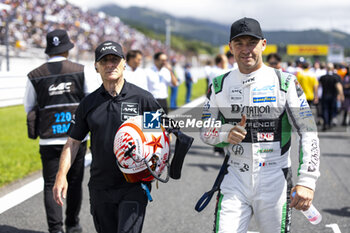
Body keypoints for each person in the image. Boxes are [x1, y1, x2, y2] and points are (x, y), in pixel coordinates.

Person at [200, 17, 320, 233]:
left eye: (251, 43)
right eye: (239, 44)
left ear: (263, 44)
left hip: (275, 178)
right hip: (234, 176)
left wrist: (307, 181)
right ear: (231, 47)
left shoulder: (285, 82)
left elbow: (308, 131)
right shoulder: (218, 85)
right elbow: (205, 132)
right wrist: (224, 133)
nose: (246, 50)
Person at [53, 41, 162, 233]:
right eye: (104, 61)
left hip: (133, 185)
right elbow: (73, 142)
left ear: (124, 64)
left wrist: (154, 166)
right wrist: (61, 175)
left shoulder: (143, 99)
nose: (110, 64)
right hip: (100, 187)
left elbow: (159, 138)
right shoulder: (88, 103)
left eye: (115, 59)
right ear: (96, 67)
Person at [24, 29, 99, 233]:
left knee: (50, 184)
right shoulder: (81, 70)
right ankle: (73, 226)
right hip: (76, 138)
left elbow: (28, 106)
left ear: (48, 50)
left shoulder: (34, 74)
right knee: (74, 183)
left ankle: (55, 230)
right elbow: (91, 101)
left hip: (48, 138)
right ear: (67, 49)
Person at [319, 63, 344, 130]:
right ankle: (329, 123)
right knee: (331, 110)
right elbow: (339, 86)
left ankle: (325, 123)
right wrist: (341, 95)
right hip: (333, 96)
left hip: (324, 95)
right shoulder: (335, 77)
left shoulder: (322, 77)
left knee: (325, 110)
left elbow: (319, 86)